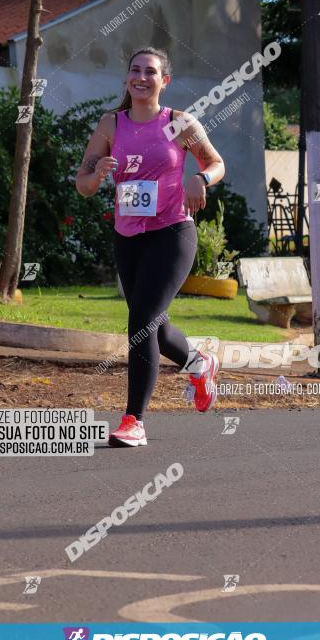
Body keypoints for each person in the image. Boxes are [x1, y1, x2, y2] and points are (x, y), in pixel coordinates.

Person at [76, 47, 225, 447]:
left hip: (173, 232)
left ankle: (134, 420)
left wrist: (201, 180)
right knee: (152, 321)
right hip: (129, 237)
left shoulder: (179, 122)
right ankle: (197, 362)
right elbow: (84, 183)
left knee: (142, 319)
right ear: (127, 78)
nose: (142, 77)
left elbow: (215, 162)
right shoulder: (111, 124)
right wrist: (98, 173)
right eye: (135, 70)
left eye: (151, 71)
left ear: (165, 81)